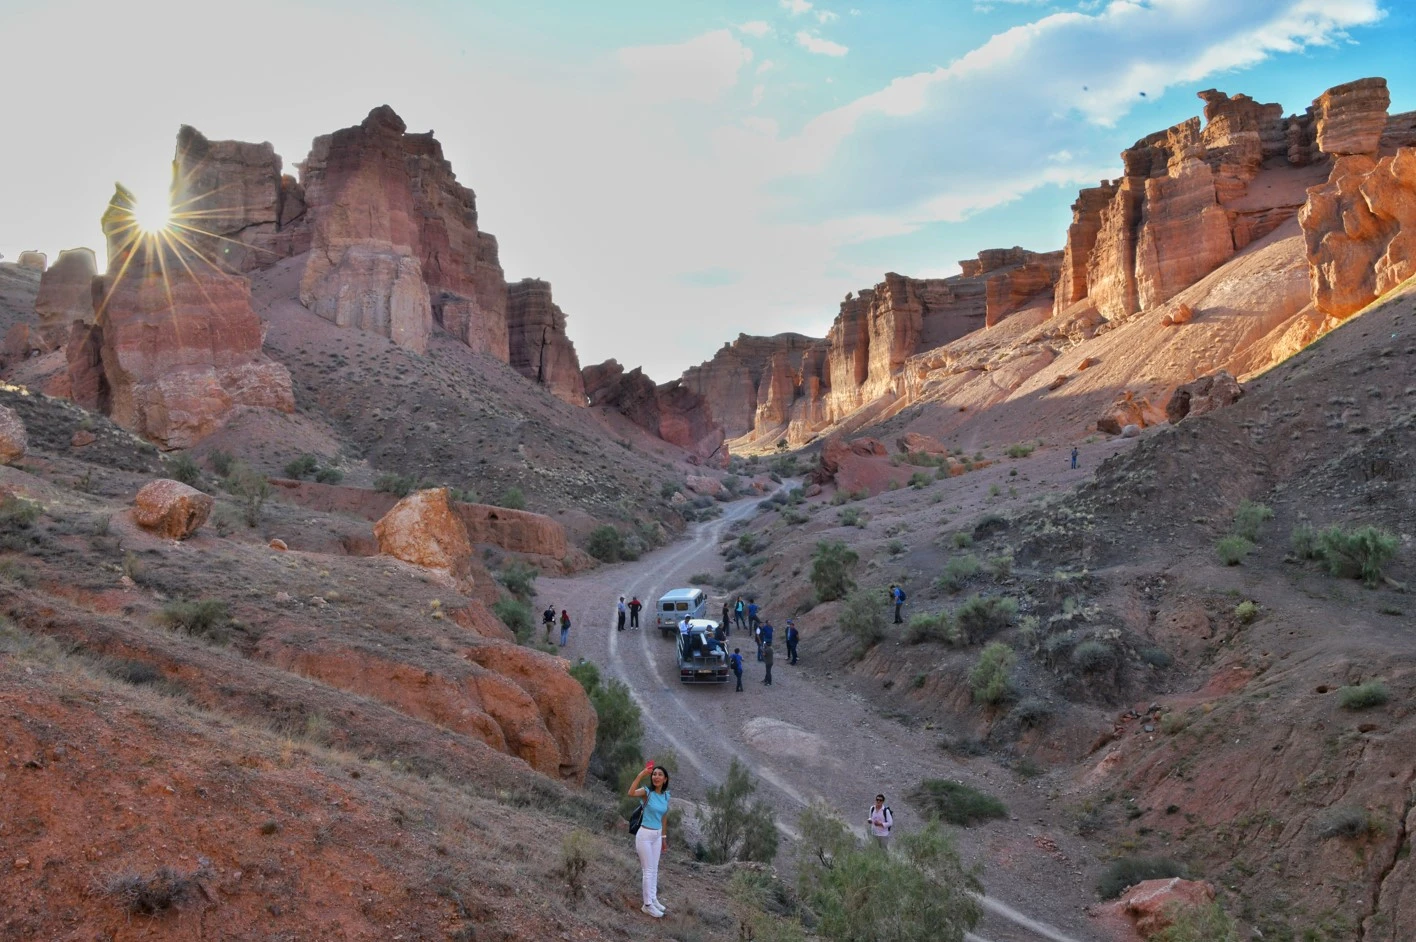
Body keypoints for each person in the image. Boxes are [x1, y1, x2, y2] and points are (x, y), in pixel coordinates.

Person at [629, 761, 672, 918]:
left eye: (660, 774)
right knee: (647, 870)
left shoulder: (666, 795)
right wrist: (641, 774)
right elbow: (630, 793)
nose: (656, 777)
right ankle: (647, 905)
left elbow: (664, 816)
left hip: (657, 835)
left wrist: (664, 837)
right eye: (654, 774)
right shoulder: (647, 792)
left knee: (654, 868)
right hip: (645, 835)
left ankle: (653, 899)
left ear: (665, 779)